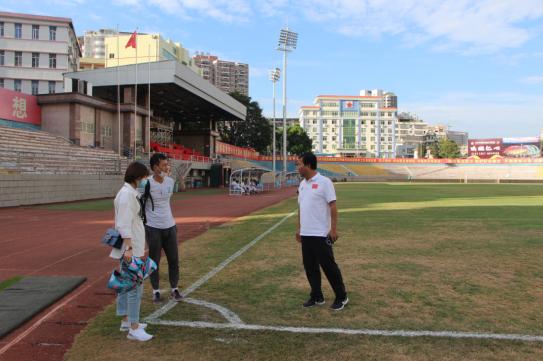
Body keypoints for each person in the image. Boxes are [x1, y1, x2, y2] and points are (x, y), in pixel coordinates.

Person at [296, 153, 348, 311]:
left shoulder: (324, 182)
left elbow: (333, 205)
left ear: (308, 166)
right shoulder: (302, 184)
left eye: (299, 164)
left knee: (329, 266)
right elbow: (301, 207)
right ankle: (317, 296)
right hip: (306, 233)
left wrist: (333, 229)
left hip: (320, 234)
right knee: (310, 267)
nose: (298, 167)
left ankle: (342, 297)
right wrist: (299, 229)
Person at [110, 161, 154, 341]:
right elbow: (123, 225)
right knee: (135, 286)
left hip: (132, 247)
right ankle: (133, 328)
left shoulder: (129, 193)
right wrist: (128, 249)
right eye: (144, 177)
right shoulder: (127, 195)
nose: (145, 180)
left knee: (127, 284)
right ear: (137, 178)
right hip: (130, 249)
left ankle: (126, 321)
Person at [140, 153, 182, 305]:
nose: (167, 167)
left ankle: (174, 288)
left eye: (167, 164)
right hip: (153, 227)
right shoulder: (145, 183)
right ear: (155, 168)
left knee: (174, 260)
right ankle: (155, 291)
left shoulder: (170, 181)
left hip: (170, 226)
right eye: (164, 165)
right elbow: (138, 200)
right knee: (154, 262)